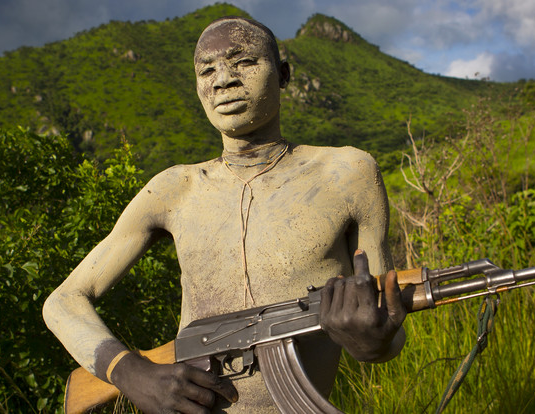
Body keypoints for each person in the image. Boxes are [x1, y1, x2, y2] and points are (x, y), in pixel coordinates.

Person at [43, 16, 407, 413]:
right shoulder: (174, 189)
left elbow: (388, 323)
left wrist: (374, 342)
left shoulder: (347, 174)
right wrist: (129, 372)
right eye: (207, 70)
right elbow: (63, 302)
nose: (223, 80)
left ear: (283, 74)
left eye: (244, 62)